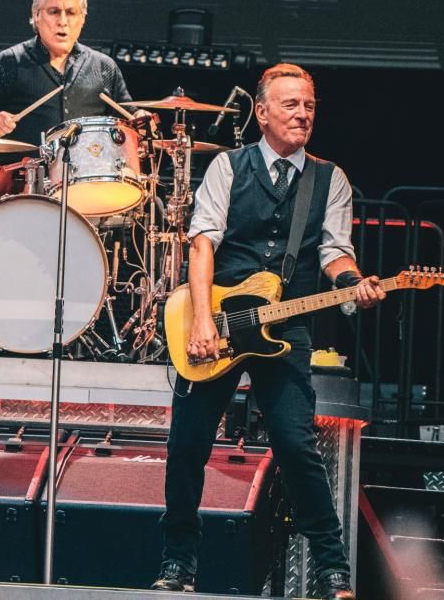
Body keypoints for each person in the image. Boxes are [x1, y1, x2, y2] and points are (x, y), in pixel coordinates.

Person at [153, 63, 384, 599]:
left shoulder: (329, 179)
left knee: (296, 446)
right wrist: (203, 319)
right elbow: (203, 243)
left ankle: (332, 571)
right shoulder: (228, 167)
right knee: (187, 445)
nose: (303, 114)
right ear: (261, 112)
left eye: (309, 105)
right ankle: (178, 563)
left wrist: (354, 284)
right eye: (290, 104)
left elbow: (335, 251)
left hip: (285, 326)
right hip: (218, 319)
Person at [0, 0, 135, 147]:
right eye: (54, 12)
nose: (63, 21)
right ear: (36, 15)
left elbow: (130, 118)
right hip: (25, 165)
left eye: (71, 13)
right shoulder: (9, 62)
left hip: (91, 165)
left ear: (82, 18)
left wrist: (140, 118)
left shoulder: (104, 67)